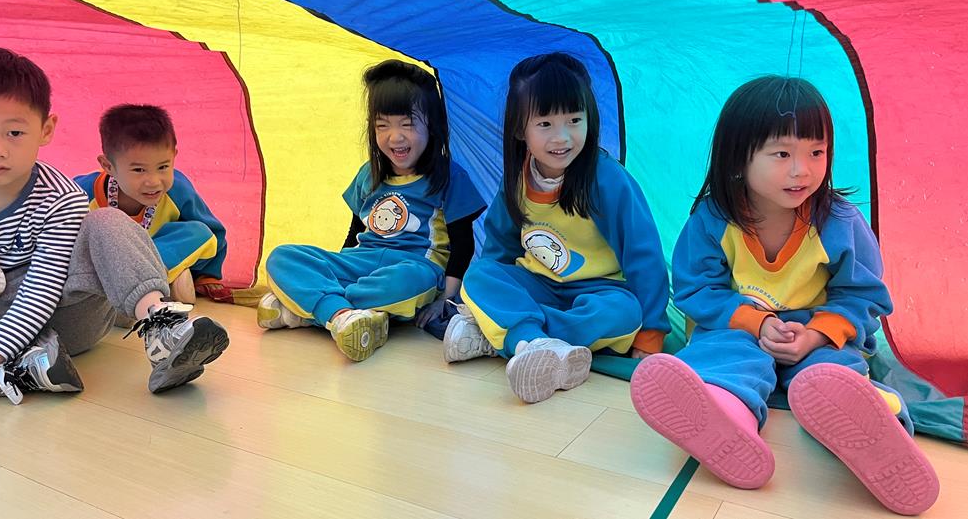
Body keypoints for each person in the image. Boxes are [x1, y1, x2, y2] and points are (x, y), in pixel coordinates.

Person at [630, 76, 938, 515]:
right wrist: (756, 322)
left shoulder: (838, 221)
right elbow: (697, 288)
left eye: (816, 152)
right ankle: (726, 416)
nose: (802, 170)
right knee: (724, 357)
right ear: (738, 158)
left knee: (832, 374)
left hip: (815, 330)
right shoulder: (713, 219)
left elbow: (863, 295)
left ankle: (880, 421)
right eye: (782, 154)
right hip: (740, 327)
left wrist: (815, 335)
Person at [0, 47, 229, 416]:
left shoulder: (62, 198)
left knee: (106, 220)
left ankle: (161, 327)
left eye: (14, 132)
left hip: (63, 316)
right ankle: (22, 369)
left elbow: (40, 293)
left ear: (46, 130)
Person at [448, 53, 670, 404]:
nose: (562, 137)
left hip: (598, 292)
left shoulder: (608, 180)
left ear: (590, 119)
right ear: (520, 129)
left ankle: (510, 336)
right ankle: (531, 341)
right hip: (538, 285)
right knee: (479, 277)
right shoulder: (517, 180)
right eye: (545, 124)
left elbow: (644, 256)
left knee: (625, 313)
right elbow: (500, 248)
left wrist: (652, 332)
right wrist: (491, 289)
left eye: (574, 120)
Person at [257, 59, 484, 361]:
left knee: (409, 281)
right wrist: (336, 264)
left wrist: (445, 298)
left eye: (407, 124)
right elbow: (354, 233)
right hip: (359, 263)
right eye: (382, 125)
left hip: (412, 266)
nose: (395, 136)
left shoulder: (449, 177)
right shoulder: (369, 174)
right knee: (283, 257)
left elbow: (463, 245)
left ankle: (313, 309)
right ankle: (344, 315)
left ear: (432, 124)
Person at [76, 104, 230, 304]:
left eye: (163, 167)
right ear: (108, 166)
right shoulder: (81, 193)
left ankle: (152, 283)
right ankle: (165, 284)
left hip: (161, 254)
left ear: (174, 157)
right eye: (139, 170)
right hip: (106, 266)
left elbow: (212, 232)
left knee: (200, 232)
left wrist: (207, 276)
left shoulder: (178, 189)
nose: (154, 181)